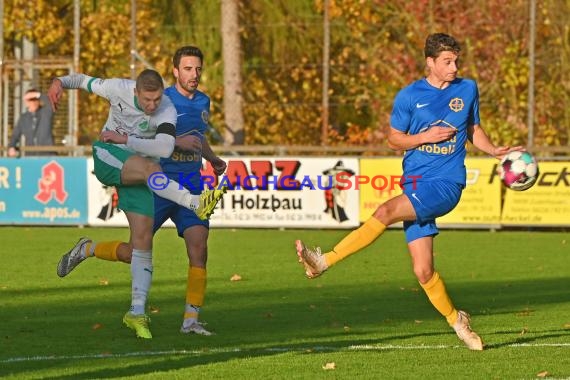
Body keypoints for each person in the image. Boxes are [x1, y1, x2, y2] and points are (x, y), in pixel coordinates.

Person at [295, 33, 524, 351]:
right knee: (423, 270)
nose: (454, 66)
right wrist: (423, 136)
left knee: (384, 212)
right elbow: (394, 139)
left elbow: (473, 128)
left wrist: (495, 150)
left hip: (446, 184)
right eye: (447, 61)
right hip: (415, 184)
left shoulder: (467, 89)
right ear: (430, 63)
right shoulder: (408, 96)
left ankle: (323, 262)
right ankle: (458, 321)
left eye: (456, 60)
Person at [55, 47, 227, 337]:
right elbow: (163, 143)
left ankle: (190, 320)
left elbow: (197, 137)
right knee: (134, 252)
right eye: (187, 69)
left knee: (199, 247)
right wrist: (172, 141)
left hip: (190, 179)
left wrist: (211, 158)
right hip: (156, 182)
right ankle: (89, 249)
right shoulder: (161, 99)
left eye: (197, 69)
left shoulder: (202, 102)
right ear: (175, 71)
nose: (193, 75)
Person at [8, 88, 55, 157]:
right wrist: (12, 146)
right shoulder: (23, 118)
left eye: (35, 99)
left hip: (47, 155)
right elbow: (15, 135)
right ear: (26, 102)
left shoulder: (45, 113)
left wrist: (37, 94)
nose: (33, 102)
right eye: (30, 100)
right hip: (30, 156)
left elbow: (52, 103)